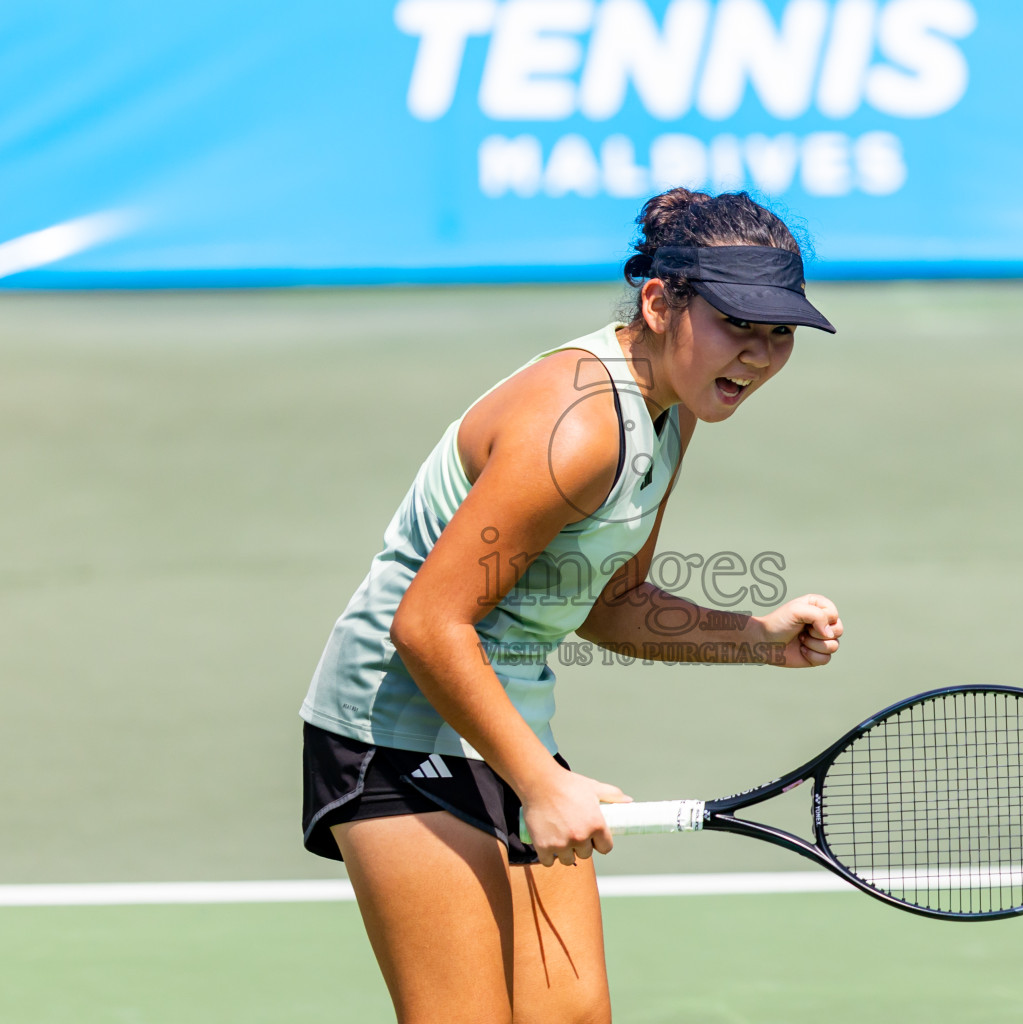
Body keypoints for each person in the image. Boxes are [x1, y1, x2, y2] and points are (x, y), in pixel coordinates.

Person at [299, 187, 847, 1023]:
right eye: (739, 325)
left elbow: (611, 604)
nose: (760, 355)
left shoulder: (670, 413)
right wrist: (540, 783)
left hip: (500, 722)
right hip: (394, 733)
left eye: (780, 334)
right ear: (661, 303)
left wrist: (757, 636)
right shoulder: (579, 426)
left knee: (571, 1016)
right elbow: (425, 623)